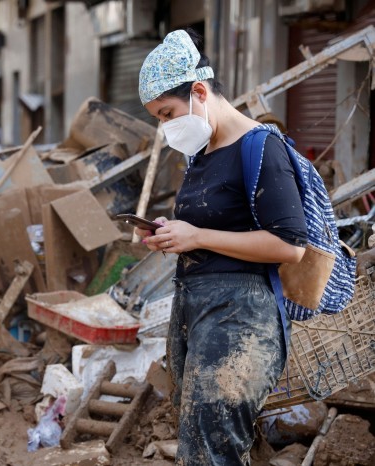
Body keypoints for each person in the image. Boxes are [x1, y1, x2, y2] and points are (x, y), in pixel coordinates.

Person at [136, 29, 308, 465]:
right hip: (198, 312)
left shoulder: (262, 148)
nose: (165, 126)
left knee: (209, 453)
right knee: (205, 449)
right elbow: (210, 224)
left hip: (242, 321)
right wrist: (171, 231)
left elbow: (291, 246)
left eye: (167, 113)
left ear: (199, 91)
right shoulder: (204, 151)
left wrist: (197, 236)